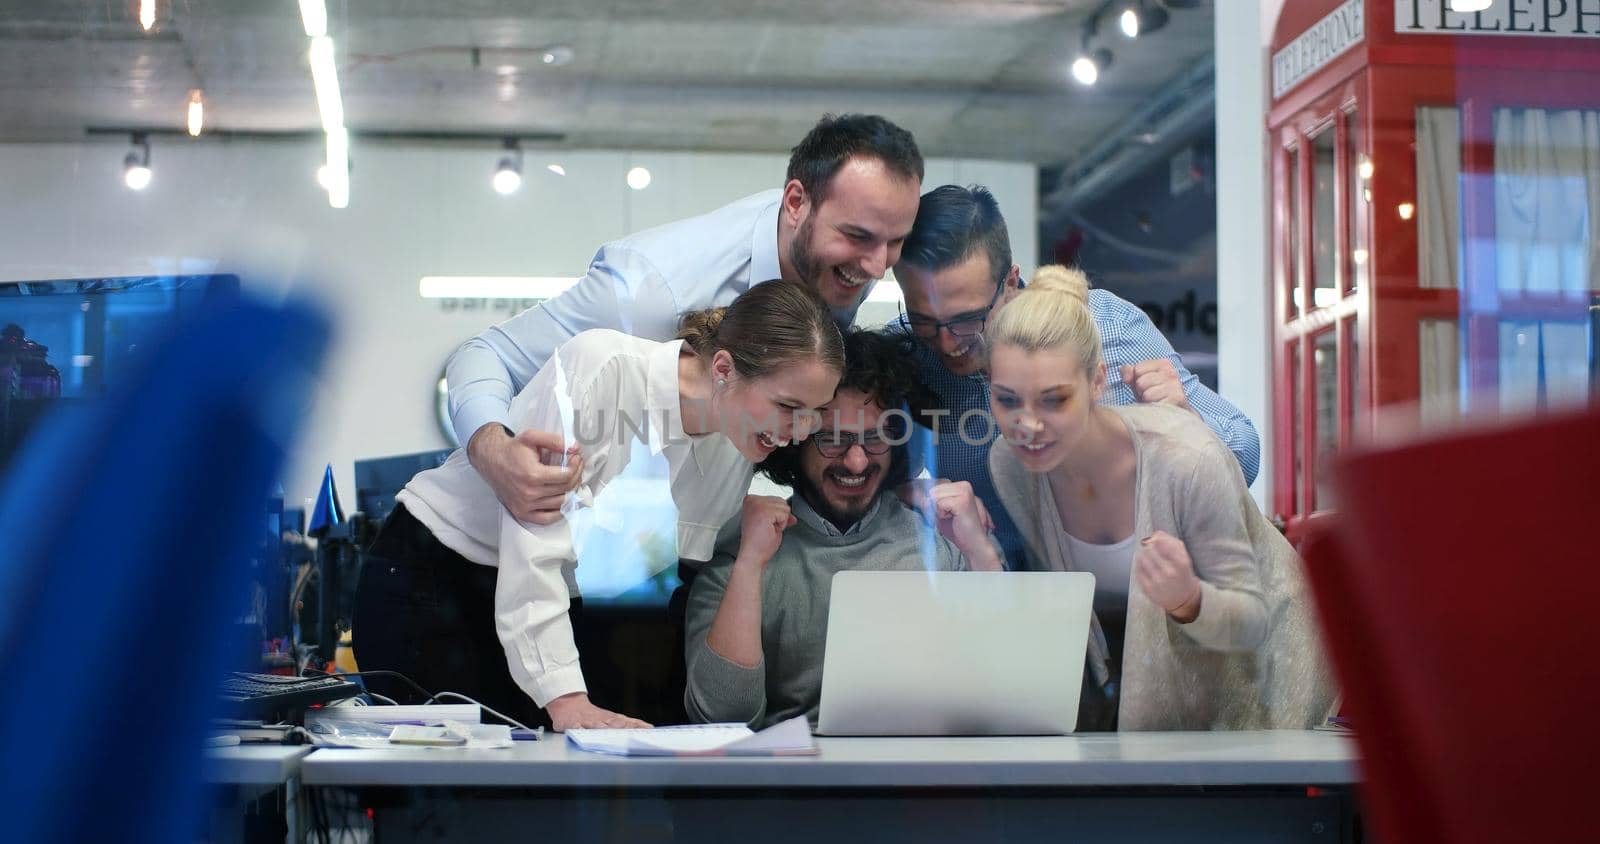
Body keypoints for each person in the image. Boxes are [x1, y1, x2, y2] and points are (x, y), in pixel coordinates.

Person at [354, 282, 846, 731]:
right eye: (788, 407)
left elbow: (655, 567)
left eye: (814, 413)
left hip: (547, 607)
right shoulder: (602, 371)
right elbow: (534, 553)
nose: (800, 431)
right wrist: (566, 700)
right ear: (722, 369)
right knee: (452, 805)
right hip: (434, 577)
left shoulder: (735, 440)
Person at [448, 114, 924, 527]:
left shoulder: (842, 257)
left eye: (895, 241)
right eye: (858, 237)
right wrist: (494, 452)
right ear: (796, 203)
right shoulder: (652, 290)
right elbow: (484, 354)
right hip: (485, 533)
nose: (877, 266)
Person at [984, 265, 1334, 731]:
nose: (1027, 425)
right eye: (1008, 400)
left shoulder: (1187, 456)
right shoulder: (1009, 465)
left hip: (1270, 681)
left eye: (1054, 400)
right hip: (1163, 699)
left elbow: (1251, 620)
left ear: (1097, 382)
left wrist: (1189, 599)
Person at [891, 184, 1262, 569]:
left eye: (967, 320)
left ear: (1012, 281)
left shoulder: (1105, 328)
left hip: (1141, 596)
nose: (948, 342)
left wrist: (1188, 421)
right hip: (1007, 598)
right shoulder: (903, 354)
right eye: (924, 321)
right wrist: (899, 495)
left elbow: (1245, 458)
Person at [684, 330, 1002, 729]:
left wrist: (979, 553)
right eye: (832, 440)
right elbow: (721, 717)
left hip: (929, 774)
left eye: (874, 439)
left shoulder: (944, 538)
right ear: (794, 440)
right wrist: (749, 564)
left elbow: (1004, 689)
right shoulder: (744, 554)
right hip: (799, 781)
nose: (855, 462)